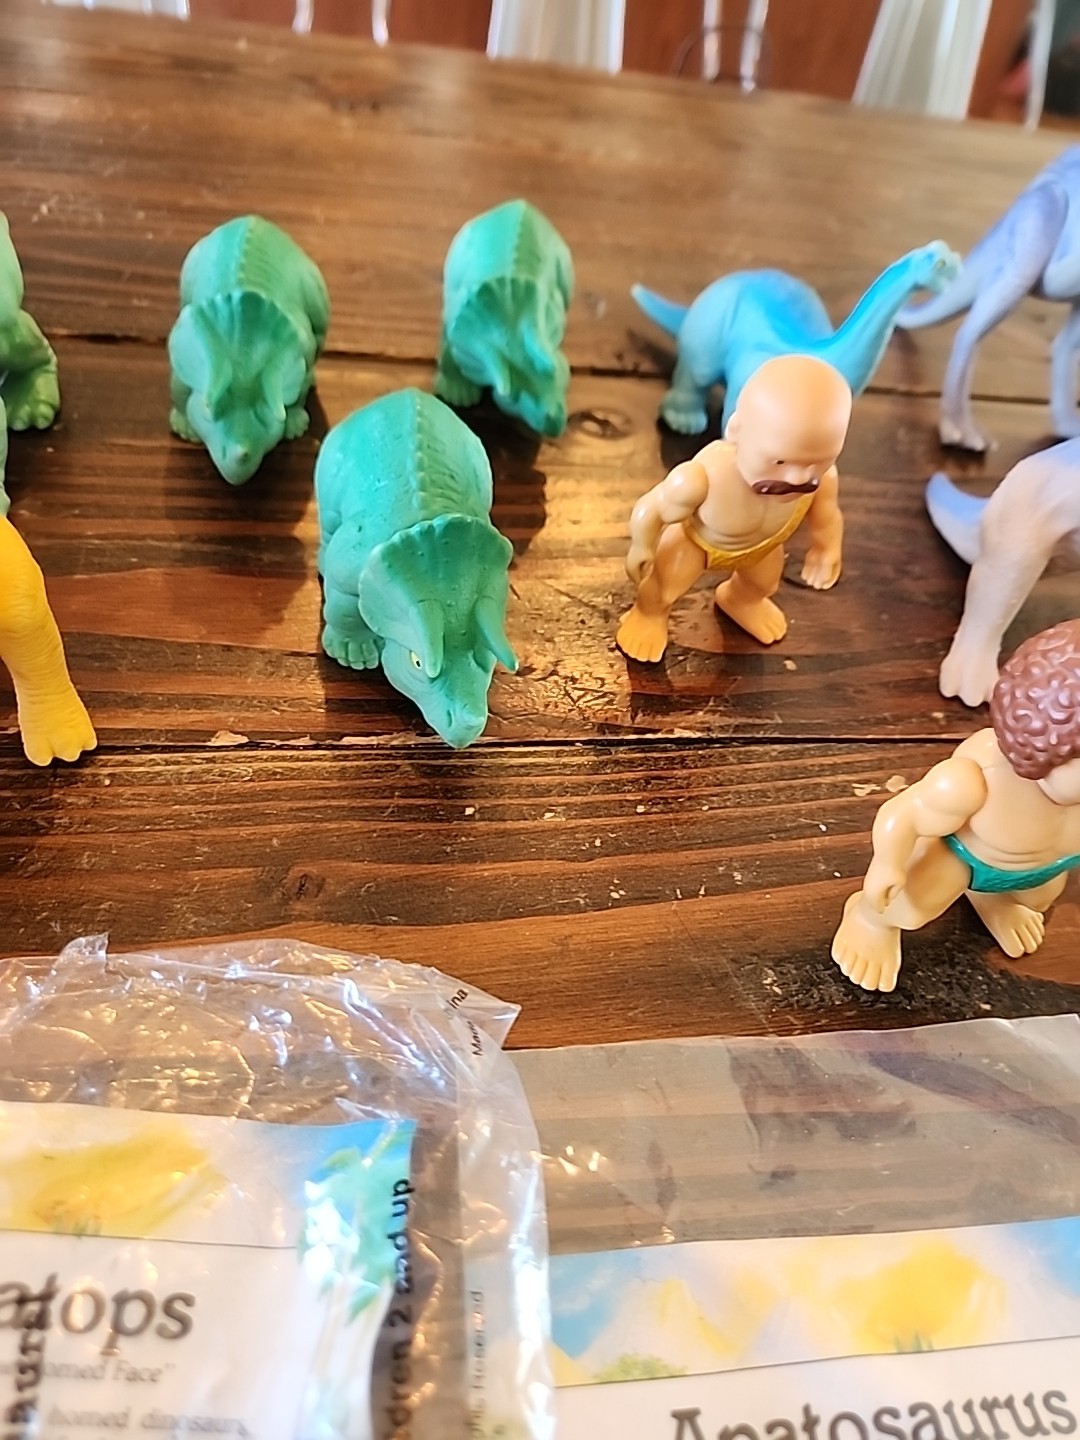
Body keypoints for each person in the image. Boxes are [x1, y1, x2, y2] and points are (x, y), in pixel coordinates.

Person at [833, 620, 1080, 993]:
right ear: (1048, 743)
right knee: (910, 907)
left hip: (1040, 871)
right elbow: (904, 814)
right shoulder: (976, 782)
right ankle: (869, 920)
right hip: (963, 858)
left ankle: (994, 901)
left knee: (1038, 899)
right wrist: (888, 864)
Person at [615, 354, 851, 663]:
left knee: (762, 584)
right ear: (737, 431)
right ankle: (648, 615)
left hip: (764, 546)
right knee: (665, 586)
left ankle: (740, 600)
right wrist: (642, 545)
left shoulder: (822, 480)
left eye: (818, 461)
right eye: (779, 461)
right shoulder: (703, 478)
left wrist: (826, 548)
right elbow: (652, 507)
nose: (798, 478)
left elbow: (827, 518)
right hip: (698, 543)